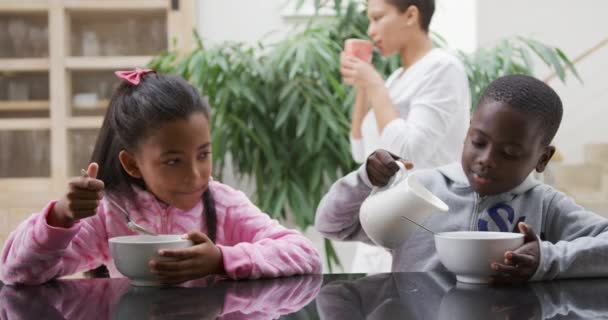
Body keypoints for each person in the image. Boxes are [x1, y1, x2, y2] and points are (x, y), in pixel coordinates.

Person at [1, 68, 321, 285]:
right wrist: (60, 216)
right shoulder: (110, 212)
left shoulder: (223, 204)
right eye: (173, 161)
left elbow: (305, 254)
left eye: (204, 154)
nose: (195, 175)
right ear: (133, 164)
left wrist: (222, 259)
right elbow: (16, 273)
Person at [316, 74, 608, 283]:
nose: (487, 159)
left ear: (542, 158)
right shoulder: (419, 189)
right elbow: (332, 226)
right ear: (468, 130)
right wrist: (365, 179)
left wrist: (547, 259)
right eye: (478, 142)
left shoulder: (545, 205)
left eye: (509, 153)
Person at [341, 0, 470, 272]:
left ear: (411, 15)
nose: (370, 30)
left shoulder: (443, 67)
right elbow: (359, 150)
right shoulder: (396, 78)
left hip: (421, 228)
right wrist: (364, 86)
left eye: (377, 18)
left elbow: (408, 153)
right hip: (381, 225)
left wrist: (374, 84)